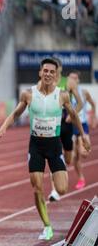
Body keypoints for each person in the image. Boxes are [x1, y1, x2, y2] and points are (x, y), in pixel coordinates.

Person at [0, 58, 90, 241]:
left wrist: (84, 136)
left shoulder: (62, 95)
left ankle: (56, 182)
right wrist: (4, 127)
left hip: (54, 145)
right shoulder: (29, 94)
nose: (48, 74)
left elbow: (74, 115)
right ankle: (47, 226)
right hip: (36, 146)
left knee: (62, 188)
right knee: (37, 187)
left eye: (51, 72)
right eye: (45, 71)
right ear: (40, 72)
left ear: (56, 75)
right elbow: (16, 113)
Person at [48, 57, 83, 201]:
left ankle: (63, 162)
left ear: (60, 69)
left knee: (68, 159)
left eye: (57, 67)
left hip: (66, 122)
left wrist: (72, 115)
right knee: (53, 156)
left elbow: (80, 103)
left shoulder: (69, 83)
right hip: (52, 122)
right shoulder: (47, 83)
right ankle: (54, 190)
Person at [68, 71, 97, 189]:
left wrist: (93, 117)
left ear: (78, 80)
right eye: (71, 78)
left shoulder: (84, 92)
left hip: (82, 125)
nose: (73, 80)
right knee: (74, 157)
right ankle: (81, 178)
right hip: (71, 125)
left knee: (84, 153)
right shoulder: (65, 93)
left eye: (75, 78)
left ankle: (81, 146)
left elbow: (93, 103)